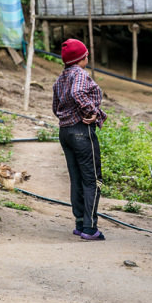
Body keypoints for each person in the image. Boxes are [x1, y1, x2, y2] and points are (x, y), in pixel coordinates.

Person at [52, 39, 107, 241]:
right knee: (92, 179)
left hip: (65, 132)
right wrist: (91, 111)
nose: (87, 57)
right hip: (81, 131)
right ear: (80, 58)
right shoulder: (80, 74)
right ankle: (90, 228)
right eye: (85, 55)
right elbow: (77, 93)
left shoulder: (60, 79)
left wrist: (68, 117)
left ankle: (79, 223)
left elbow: (55, 106)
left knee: (76, 178)